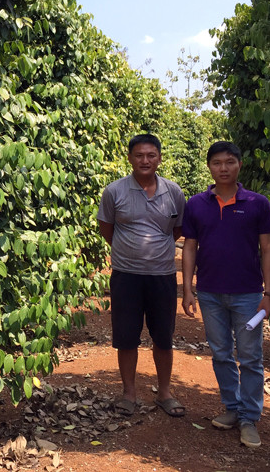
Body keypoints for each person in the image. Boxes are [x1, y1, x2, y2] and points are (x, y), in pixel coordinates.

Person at [181, 141, 270, 448]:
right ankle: (232, 408)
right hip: (210, 294)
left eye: (229, 162)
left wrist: (269, 293)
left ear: (240, 165)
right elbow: (190, 248)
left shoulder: (257, 203)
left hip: (248, 296)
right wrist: (188, 289)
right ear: (209, 166)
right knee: (221, 354)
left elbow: (268, 248)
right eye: (217, 163)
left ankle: (250, 417)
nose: (223, 168)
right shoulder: (196, 205)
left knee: (250, 357)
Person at [97, 134, 186, 417]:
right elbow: (107, 227)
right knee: (126, 337)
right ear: (130, 158)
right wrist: (129, 251)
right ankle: (129, 394)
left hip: (162, 275)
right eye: (139, 155)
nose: (145, 160)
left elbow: (176, 230)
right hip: (126, 275)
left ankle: (165, 393)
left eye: (150, 155)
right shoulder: (115, 191)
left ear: (159, 158)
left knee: (163, 336)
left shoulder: (174, 192)